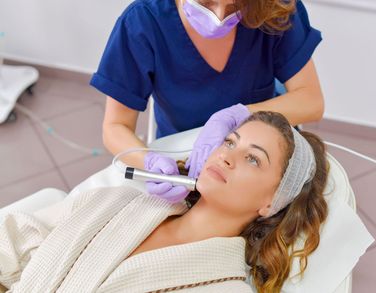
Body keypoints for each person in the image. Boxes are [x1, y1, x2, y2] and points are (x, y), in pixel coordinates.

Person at [0, 111, 328, 292]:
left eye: (253, 159)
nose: (228, 157)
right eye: (229, 142)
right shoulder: (118, 201)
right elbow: (13, 238)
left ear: (271, 203)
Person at [91, 0, 325, 179]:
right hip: (182, 156)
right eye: (206, 2)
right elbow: (115, 127)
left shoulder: (273, 7)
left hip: (258, 153)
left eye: (236, 4)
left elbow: (311, 102)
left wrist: (238, 115)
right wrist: (150, 163)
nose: (220, 16)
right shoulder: (142, 22)